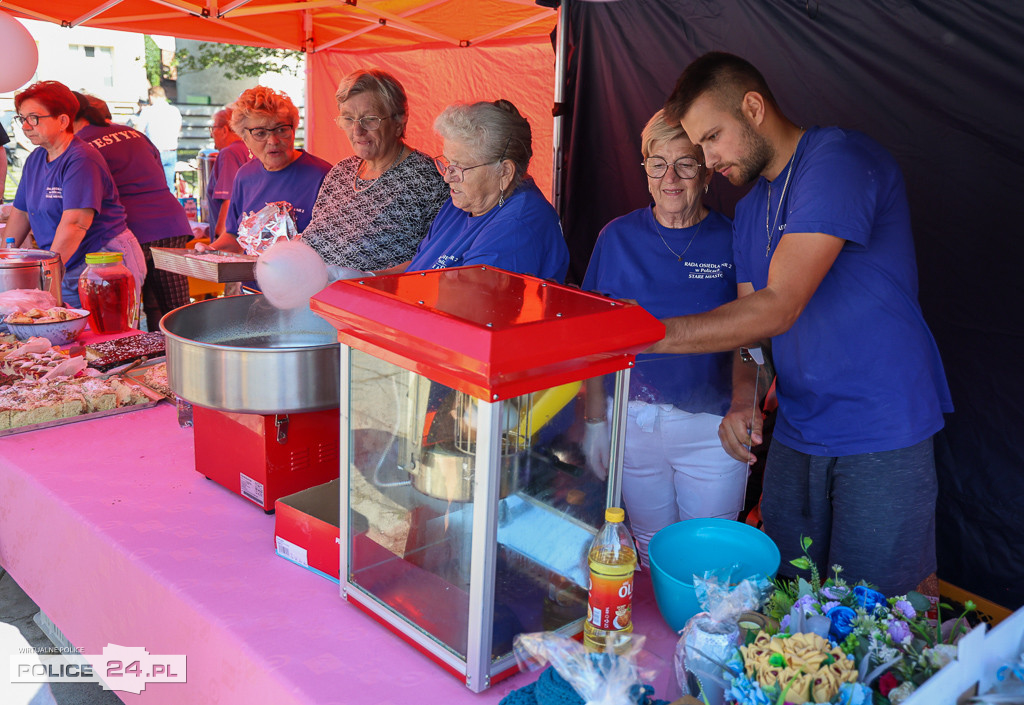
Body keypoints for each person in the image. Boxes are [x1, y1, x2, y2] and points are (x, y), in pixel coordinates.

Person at [653, 52, 952, 596]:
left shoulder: (835, 160)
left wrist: (647, 334)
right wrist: (744, 399)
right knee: (792, 600)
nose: (708, 157)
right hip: (798, 429)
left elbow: (778, 305)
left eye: (713, 137)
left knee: (874, 613)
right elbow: (751, 335)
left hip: (880, 427)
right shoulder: (749, 209)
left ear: (753, 107)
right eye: (700, 145)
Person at [581, 110, 754, 567]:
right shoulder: (616, 237)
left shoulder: (735, 240)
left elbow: (754, 337)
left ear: (707, 170)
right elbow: (592, 335)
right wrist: (597, 420)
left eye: (685, 163)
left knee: (711, 562)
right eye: (657, 163)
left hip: (711, 429)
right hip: (632, 424)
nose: (670, 177)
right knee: (651, 554)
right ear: (645, 169)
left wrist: (743, 402)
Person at [5, 81, 145, 308]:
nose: (25, 127)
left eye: (34, 118)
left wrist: (48, 274)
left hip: (103, 261)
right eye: (22, 118)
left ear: (63, 121)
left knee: (106, 336)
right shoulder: (35, 160)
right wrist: (4, 260)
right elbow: (20, 214)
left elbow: (76, 224)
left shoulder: (81, 159)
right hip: (65, 260)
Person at [401, 100, 567, 279]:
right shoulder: (461, 203)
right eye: (448, 162)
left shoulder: (517, 226)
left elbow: (471, 302)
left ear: (504, 172)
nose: (447, 177)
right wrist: (371, 278)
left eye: (460, 167)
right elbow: (420, 264)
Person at [300, 69, 448, 270]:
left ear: (399, 120)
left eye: (369, 119)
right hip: (311, 296)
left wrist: (369, 281)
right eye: (349, 119)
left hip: (375, 298)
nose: (357, 131)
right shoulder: (341, 172)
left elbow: (440, 257)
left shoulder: (427, 179)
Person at [73, 92, 191, 328]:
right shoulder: (134, 133)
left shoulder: (79, 145)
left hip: (129, 229)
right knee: (177, 309)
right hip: (170, 223)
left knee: (126, 313)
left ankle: (142, 361)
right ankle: (185, 359)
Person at [201, 86, 331, 255]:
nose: (273, 141)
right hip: (252, 281)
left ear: (293, 130)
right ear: (245, 138)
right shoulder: (245, 176)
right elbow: (233, 236)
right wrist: (209, 251)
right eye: (260, 133)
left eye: (282, 129)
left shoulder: (323, 176)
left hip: (304, 280)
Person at [205, 106, 252, 242]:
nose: (211, 134)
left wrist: (219, 240)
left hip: (233, 241)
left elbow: (229, 200)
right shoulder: (250, 148)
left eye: (213, 129)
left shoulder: (229, 153)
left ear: (225, 130)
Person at [131, 86, 182, 192]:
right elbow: (179, 128)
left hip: (155, 152)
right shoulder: (174, 110)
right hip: (171, 150)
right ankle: (171, 208)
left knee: (154, 188)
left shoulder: (148, 111)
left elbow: (138, 132)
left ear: (151, 96)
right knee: (169, 188)